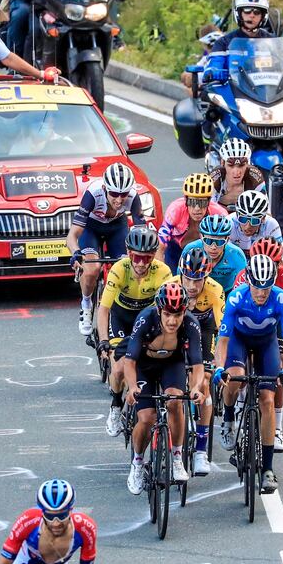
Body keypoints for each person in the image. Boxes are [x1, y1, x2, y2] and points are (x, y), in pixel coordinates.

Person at [214, 254, 283, 494]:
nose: (261, 293)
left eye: (266, 288)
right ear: (248, 281)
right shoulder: (236, 297)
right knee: (234, 377)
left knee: (267, 400)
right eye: (257, 287)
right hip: (238, 340)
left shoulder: (281, 299)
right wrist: (219, 368)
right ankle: (228, 418)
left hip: (266, 343)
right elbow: (222, 341)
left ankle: (268, 469)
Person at [123, 282, 204, 492]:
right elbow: (129, 362)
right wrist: (132, 387)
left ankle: (177, 456)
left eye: (177, 315)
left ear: (184, 312)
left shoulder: (191, 324)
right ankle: (137, 463)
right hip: (144, 366)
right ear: (159, 310)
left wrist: (196, 387)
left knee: (175, 402)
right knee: (147, 417)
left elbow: (197, 364)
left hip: (172, 364)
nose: (172, 321)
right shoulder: (145, 319)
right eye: (167, 314)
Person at [97, 226, 171, 437]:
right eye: (136, 257)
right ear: (129, 253)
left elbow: (168, 309)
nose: (140, 263)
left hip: (147, 319)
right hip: (122, 318)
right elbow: (104, 309)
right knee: (119, 369)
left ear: (153, 256)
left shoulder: (163, 272)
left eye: (146, 258)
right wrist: (104, 340)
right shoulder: (119, 269)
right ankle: (115, 405)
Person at [231, 238, 283, 453]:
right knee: (238, 368)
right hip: (247, 324)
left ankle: (277, 427)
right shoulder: (243, 277)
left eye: (275, 263)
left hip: (275, 322)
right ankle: (240, 402)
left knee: (278, 370)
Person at [67, 162, 147, 335]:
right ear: (105, 189)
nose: (119, 199)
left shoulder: (133, 197)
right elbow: (72, 235)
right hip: (91, 228)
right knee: (92, 269)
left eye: (123, 194)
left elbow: (142, 232)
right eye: (114, 194)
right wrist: (76, 253)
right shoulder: (93, 194)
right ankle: (86, 303)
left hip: (117, 227)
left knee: (126, 267)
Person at [169, 246, 225, 474]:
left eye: (198, 280)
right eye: (188, 279)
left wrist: (220, 362)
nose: (192, 286)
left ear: (206, 277)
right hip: (176, 331)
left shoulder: (215, 290)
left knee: (204, 384)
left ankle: (201, 450)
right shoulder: (169, 286)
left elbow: (223, 330)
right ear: (180, 274)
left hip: (204, 331)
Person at [0, 480, 97, 564]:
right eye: (50, 516)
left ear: (71, 510)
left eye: (62, 516)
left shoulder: (86, 528)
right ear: (42, 512)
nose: (56, 523)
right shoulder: (28, 520)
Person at [157, 173, 228, 272]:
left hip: (208, 252)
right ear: (185, 200)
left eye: (202, 203)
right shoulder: (175, 209)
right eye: (192, 202)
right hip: (176, 250)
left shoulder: (220, 214)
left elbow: (228, 245)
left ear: (209, 202)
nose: (197, 208)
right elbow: (161, 245)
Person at [179, 214, 247, 295]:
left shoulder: (236, 254)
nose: (213, 247)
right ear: (201, 237)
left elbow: (244, 285)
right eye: (208, 241)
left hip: (226, 292)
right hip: (197, 291)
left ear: (227, 240)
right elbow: (180, 277)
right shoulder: (190, 249)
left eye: (219, 242)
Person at [228, 182, 283, 254]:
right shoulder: (228, 223)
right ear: (237, 215)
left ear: (263, 218)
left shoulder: (271, 224)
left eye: (254, 220)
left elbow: (281, 256)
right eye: (243, 219)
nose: (248, 226)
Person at [209, 138, 264, 210]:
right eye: (231, 165)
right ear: (222, 163)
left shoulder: (256, 176)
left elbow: (265, 208)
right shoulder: (216, 176)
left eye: (241, 165)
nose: (237, 172)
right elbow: (209, 208)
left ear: (248, 163)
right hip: (220, 213)